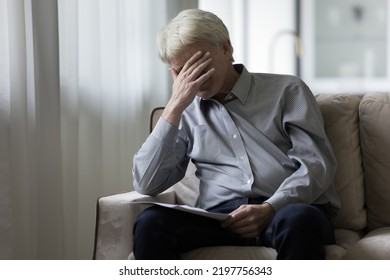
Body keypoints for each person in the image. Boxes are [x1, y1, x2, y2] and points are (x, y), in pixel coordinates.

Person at [132, 8, 340, 260]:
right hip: (220, 218)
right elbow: (146, 183)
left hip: (286, 210)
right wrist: (175, 106)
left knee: (299, 219)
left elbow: (317, 164)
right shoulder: (183, 113)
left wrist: (270, 207)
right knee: (151, 222)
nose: (194, 78)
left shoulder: (287, 91)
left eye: (199, 63)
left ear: (226, 49)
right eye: (183, 70)